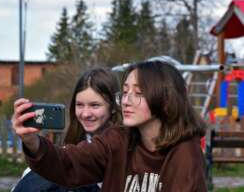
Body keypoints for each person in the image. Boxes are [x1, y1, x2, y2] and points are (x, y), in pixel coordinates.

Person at [12, 60, 207, 192]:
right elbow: (69, 163)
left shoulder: (184, 152)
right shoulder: (118, 140)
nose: (126, 101)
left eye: (138, 93)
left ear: (165, 100)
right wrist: (32, 141)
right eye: (124, 92)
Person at [12, 67, 121, 192]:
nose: (85, 114)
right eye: (79, 105)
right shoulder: (70, 147)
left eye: (95, 105)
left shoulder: (123, 147)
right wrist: (31, 141)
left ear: (113, 107)